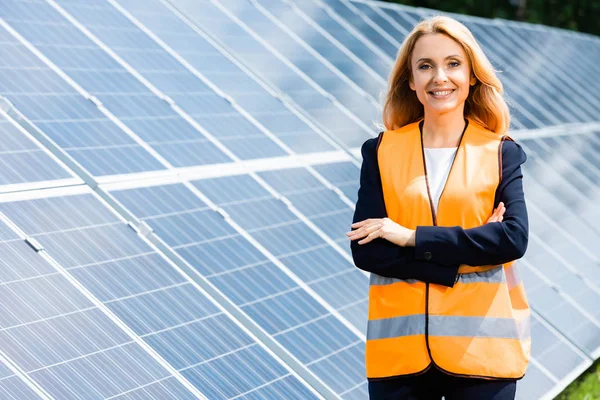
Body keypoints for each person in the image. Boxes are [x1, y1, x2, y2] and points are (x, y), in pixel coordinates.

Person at [346, 16, 530, 400]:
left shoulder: (500, 152)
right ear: (410, 80)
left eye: (452, 63)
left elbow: (511, 239)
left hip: (481, 351)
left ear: (472, 76)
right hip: (399, 356)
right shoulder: (380, 151)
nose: (439, 77)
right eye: (425, 66)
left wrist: (408, 236)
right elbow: (367, 250)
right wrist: (467, 252)